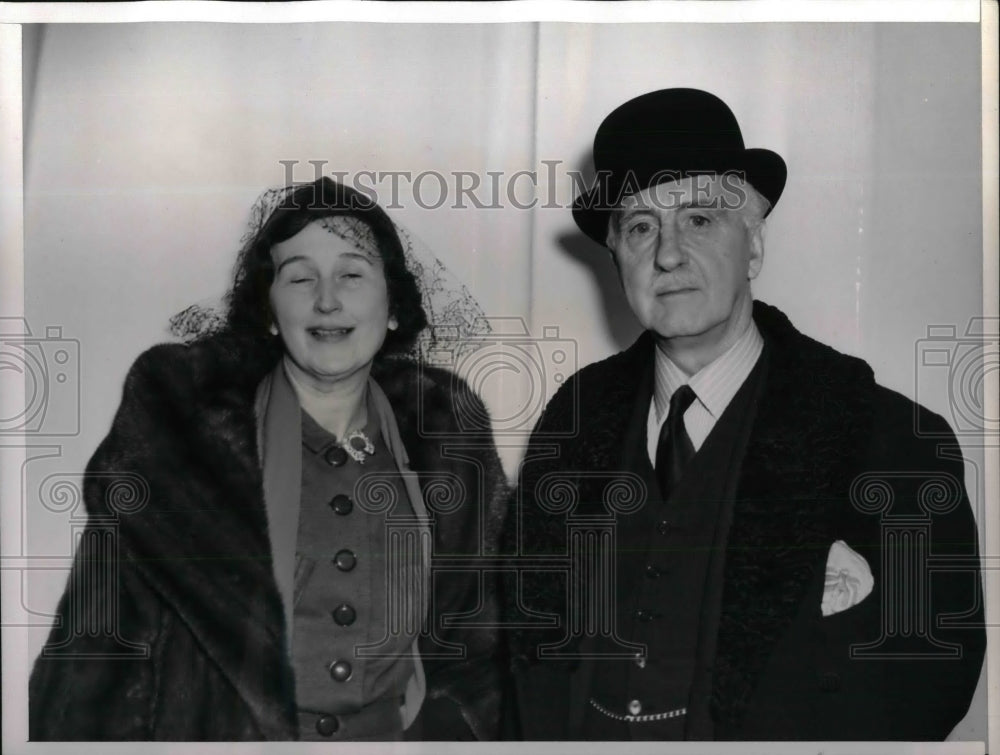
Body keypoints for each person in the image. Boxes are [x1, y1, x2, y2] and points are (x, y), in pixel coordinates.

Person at [503, 88, 986, 740]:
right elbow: (524, 655)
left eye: (699, 220)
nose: (668, 254)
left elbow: (930, 678)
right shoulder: (570, 427)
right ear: (616, 256)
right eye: (641, 226)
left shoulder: (886, 437)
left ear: (753, 245)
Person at [29, 177, 509, 741]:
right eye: (300, 277)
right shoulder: (182, 446)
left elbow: (485, 649)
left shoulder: (449, 441)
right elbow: (97, 658)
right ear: (269, 313)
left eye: (352, 274)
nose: (326, 299)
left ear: (396, 306)